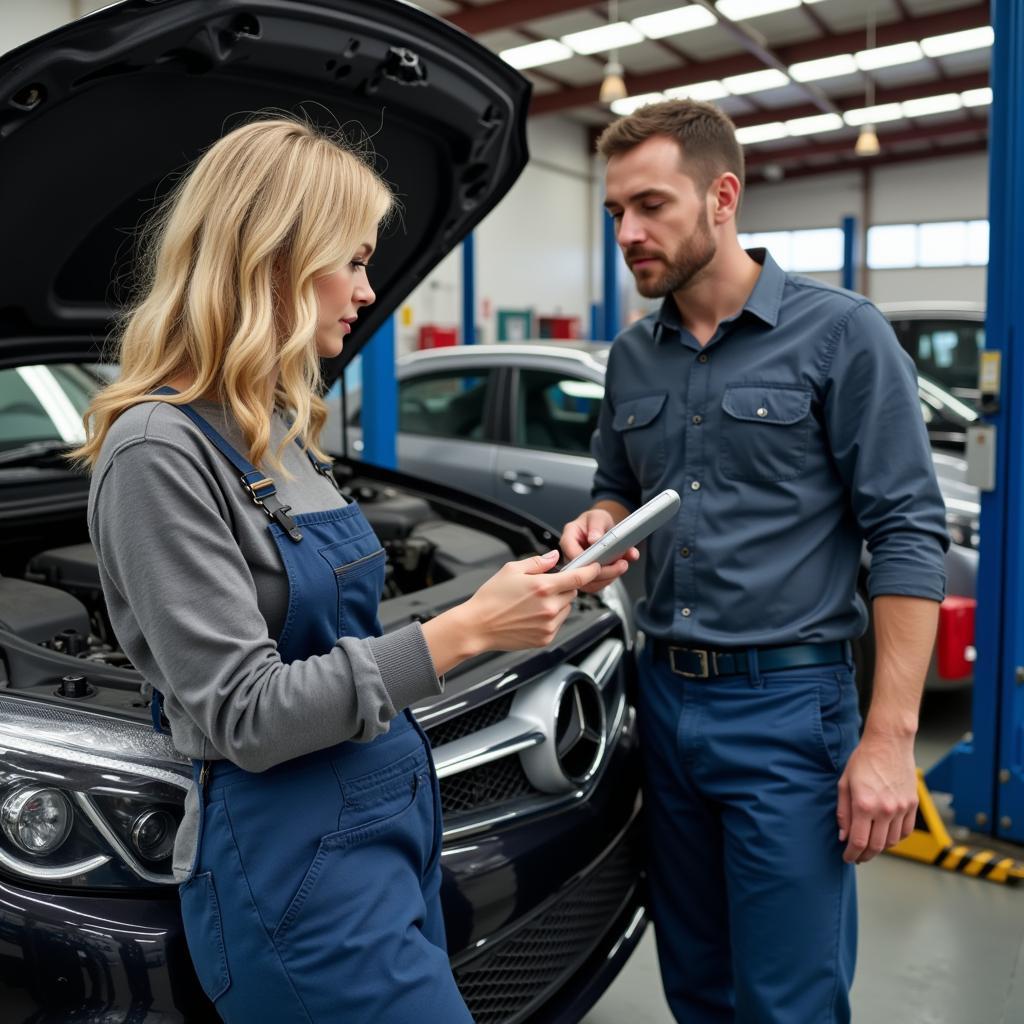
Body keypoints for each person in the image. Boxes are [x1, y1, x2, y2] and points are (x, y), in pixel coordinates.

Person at [72, 116, 626, 1023]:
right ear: (273, 259)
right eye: (355, 261)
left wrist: (520, 593)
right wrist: (466, 632)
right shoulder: (155, 451)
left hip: (388, 826)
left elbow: (346, 635)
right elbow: (246, 712)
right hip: (296, 869)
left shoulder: (279, 431)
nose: (371, 290)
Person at [559, 100, 948, 1024]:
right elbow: (617, 483)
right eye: (616, 212)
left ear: (722, 195)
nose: (629, 232)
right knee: (696, 983)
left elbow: (907, 532)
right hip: (663, 703)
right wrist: (599, 519)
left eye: (651, 205)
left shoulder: (842, 336)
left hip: (789, 714)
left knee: (787, 1001)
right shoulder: (631, 359)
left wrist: (890, 739)